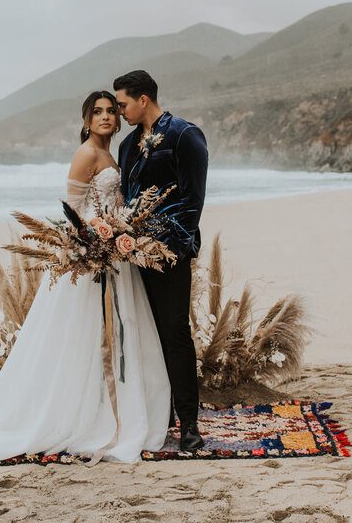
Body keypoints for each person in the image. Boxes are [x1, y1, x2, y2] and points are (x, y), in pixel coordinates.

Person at [0, 91, 171, 463]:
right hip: (92, 261)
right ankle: (86, 417)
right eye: (96, 112)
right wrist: (92, 242)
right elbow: (72, 212)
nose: (105, 117)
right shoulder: (87, 153)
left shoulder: (112, 154)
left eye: (110, 111)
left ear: (117, 119)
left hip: (115, 258)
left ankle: (107, 412)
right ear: (86, 120)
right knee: (84, 339)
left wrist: (119, 235)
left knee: (112, 337)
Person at [113, 69, 208, 453]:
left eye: (122, 104)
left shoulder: (185, 135)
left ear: (143, 100)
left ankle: (189, 423)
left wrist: (162, 245)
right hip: (128, 256)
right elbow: (126, 199)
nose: (119, 112)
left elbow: (192, 200)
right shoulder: (125, 146)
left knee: (174, 333)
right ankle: (156, 414)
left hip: (168, 254)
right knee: (141, 335)